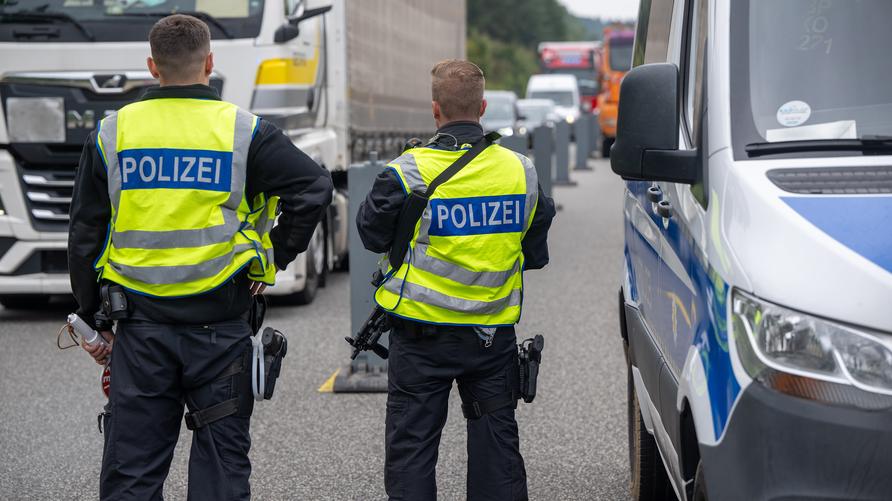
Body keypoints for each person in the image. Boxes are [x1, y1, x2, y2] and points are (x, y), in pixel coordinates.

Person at [68, 14, 332, 501]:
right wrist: (274, 259)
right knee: (221, 466)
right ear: (210, 62)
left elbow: (85, 230)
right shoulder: (244, 131)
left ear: (152, 67)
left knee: (133, 470)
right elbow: (315, 187)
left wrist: (90, 314)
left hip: (141, 329)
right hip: (221, 325)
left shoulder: (112, 133)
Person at [356, 59, 556, 501]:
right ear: (482, 107)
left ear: (435, 111)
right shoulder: (521, 170)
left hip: (420, 337)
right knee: (497, 451)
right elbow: (534, 250)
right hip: (490, 336)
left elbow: (370, 234)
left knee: (412, 451)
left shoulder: (407, 172)